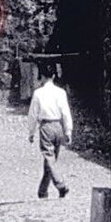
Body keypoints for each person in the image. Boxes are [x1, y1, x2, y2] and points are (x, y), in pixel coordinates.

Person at [27, 63, 73, 199]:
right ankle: (42, 190)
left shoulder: (38, 93)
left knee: (49, 157)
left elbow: (33, 114)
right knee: (51, 159)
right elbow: (66, 112)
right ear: (54, 75)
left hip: (46, 126)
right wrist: (68, 130)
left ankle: (60, 185)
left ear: (41, 76)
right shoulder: (61, 92)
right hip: (58, 126)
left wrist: (31, 131)